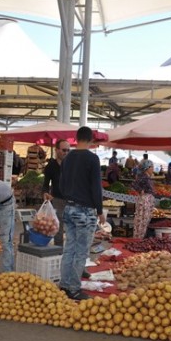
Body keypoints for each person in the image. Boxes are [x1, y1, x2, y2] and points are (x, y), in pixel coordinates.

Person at [59, 126, 105, 300]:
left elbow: (61, 185)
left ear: (76, 139)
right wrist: (99, 210)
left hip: (69, 208)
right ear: (91, 139)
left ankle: (64, 285)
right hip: (84, 211)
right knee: (81, 251)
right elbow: (95, 187)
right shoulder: (92, 159)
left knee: (69, 248)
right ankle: (74, 288)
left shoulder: (67, 158)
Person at [42, 139, 70, 246]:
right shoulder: (51, 166)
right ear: (57, 150)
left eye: (68, 150)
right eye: (64, 150)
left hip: (72, 200)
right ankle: (59, 250)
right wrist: (45, 192)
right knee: (58, 226)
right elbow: (46, 183)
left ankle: (70, 251)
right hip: (57, 199)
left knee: (72, 227)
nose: (66, 153)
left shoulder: (72, 165)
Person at [132, 159, 156, 239]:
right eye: (152, 167)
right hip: (144, 201)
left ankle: (140, 237)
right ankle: (138, 238)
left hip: (147, 200)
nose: (153, 169)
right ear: (147, 168)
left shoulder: (147, 176)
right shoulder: (143, 176)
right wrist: (140, 191)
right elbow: (134, 184)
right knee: (141, 220)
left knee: (144, 220)